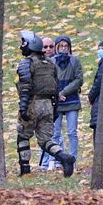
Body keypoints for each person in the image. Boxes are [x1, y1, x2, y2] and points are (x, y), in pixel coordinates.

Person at [16, 31, 76, 177]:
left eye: (23, 43)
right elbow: (55, 88)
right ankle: (64, 157)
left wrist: (24, 108)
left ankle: (25, 170)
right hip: (48, 105)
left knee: (23, 136)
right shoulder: (50, 63)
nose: (21, 45)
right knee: (45, 140)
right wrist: (54, 109)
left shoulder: (26, 63)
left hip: (33, 104)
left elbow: (25, 87)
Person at [51, 36, 83, 166]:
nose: (63, 48)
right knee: (55, 133)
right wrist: (56, 94)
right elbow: (48, 79)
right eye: (61, 45)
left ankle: (72, 159)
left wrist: (64, 92)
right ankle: (57, 159)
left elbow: (78, 79)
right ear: (57, 47)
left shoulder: (75, 61)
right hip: (56, 101)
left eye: (66, 46)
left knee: (72, 132)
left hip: (71, 101)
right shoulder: (51, 62)